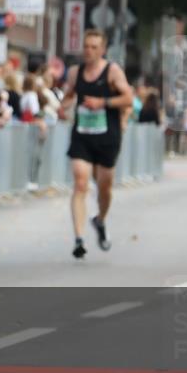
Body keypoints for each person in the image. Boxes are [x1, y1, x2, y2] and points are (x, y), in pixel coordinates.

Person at [59, 29, 134, 259]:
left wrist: (102, 102)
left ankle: (100, 220)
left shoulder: (112, 71)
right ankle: (79, 239)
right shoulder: (74, 73)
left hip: (107, 136)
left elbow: (128, 98)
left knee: (104, 186)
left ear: (102, 49)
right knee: (80, 183)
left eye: (94, 47)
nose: (88, 51)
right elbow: (69, 95)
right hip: (82, 135)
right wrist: (64, 105)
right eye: (86, 46)